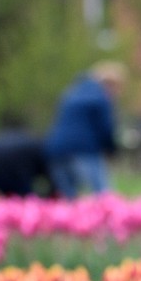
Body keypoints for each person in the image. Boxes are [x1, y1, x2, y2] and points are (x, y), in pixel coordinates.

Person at [46, 62, 125, 197]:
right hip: (84, 150)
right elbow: (106, 129)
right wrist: (112, 150)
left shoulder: (70, 93)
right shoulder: (100, 97)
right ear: (110, 84)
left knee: (69, 201)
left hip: (55, 150)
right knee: (103, 196)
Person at [0, 124, 53, 198]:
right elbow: (25, 178)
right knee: (21, 193)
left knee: (11, 193)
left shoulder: (32, 145)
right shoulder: (38, 153)